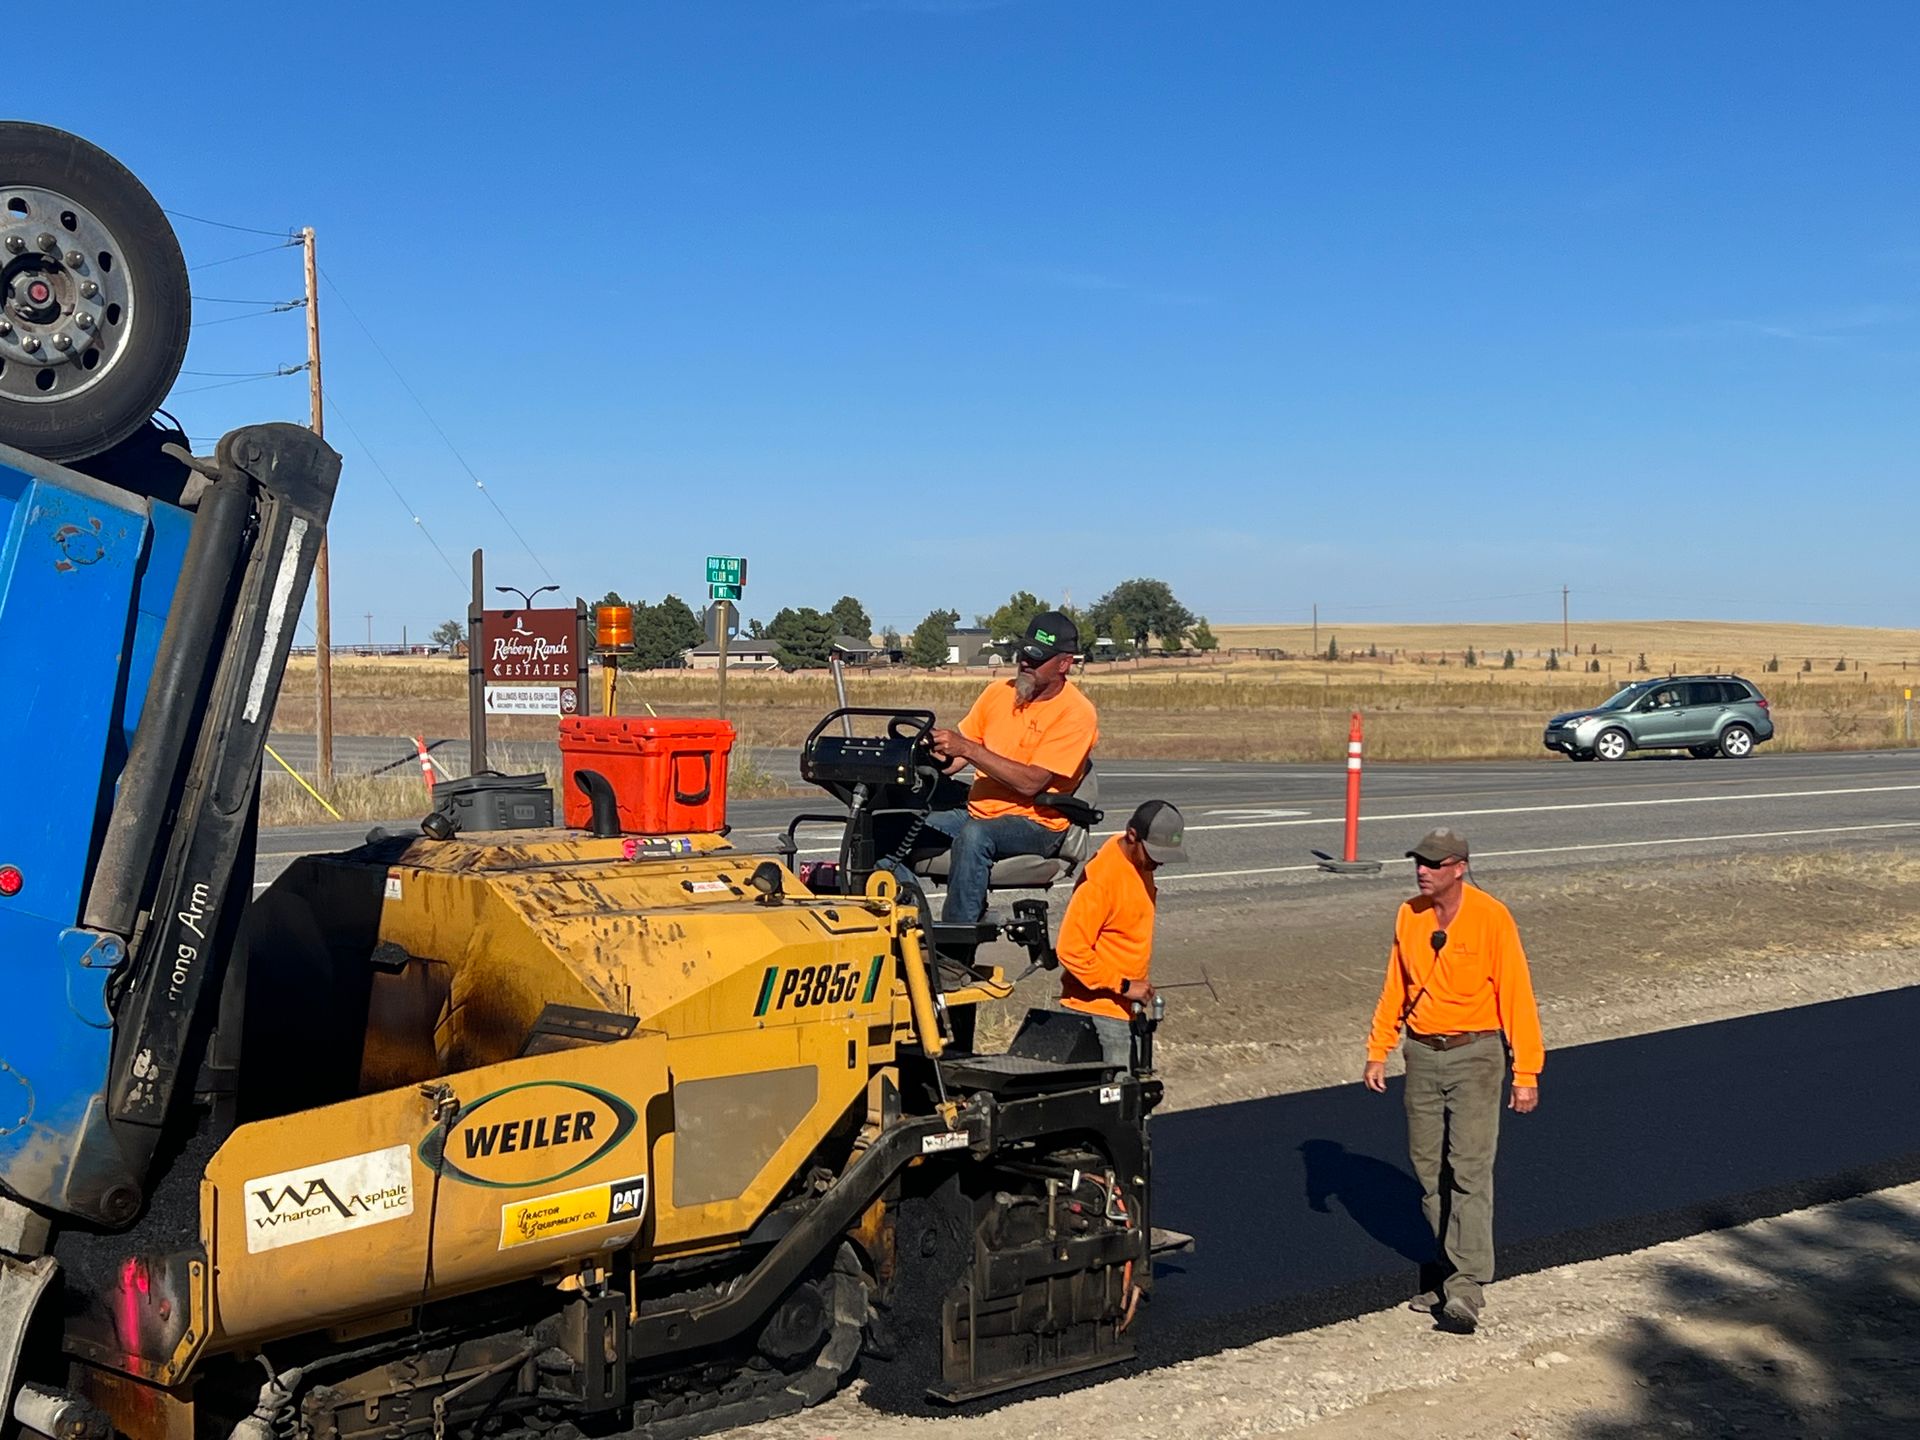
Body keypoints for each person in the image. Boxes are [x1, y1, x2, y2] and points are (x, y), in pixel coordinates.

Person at [1362, 826, 1543, 1334]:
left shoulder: (1491, 917)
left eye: (1434, 863)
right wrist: (1378, 1049)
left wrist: (1526, 1071)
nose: (1423, 869)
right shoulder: (1408, 915)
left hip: (1476, 1054)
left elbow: (1517, 997)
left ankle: (1466, 1286)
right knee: (1427, 1172)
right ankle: (1446, 1271)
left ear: (1458, 868)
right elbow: (1395, 985)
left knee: (1468, 1168)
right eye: (1419, 861)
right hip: (1421, 1054)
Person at [917, 610, 1099, 922]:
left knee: (975, 836)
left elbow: (1032, 783)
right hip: (979, 812)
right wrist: (927, 750)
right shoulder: (996, 693)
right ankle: (903, 932)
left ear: (1064, 664)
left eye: (1037, 657)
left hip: (1038, 824)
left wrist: (969, 748)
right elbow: (954, 762)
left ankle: (955, 951)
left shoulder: (1077, 713)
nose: (1025, 662)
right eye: (1024, 653)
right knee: (888, 827)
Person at [1055, 800, 1187, 1065]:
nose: (1158, 864)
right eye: (1153, 854)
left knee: (1134, 1094)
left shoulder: (1139, 863)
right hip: (1099, 1013)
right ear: (1132, 836)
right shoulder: (1101, 880)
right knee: (1116, 1097)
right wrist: (1124, 985)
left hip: (1128, 1008)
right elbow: (1070, 949)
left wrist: (1136, 987)